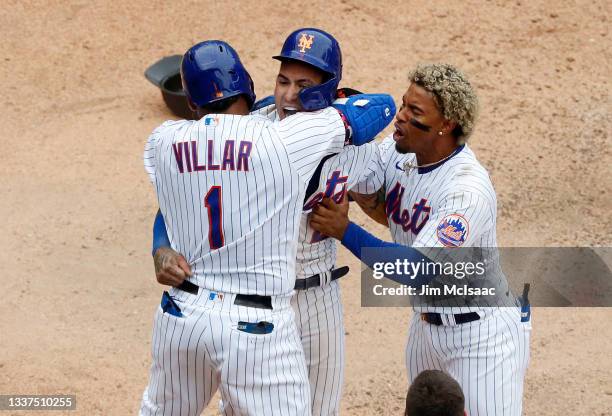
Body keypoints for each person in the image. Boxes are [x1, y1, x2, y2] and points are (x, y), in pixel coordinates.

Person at [139, 40, 394, 415]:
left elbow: (184, 196)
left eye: (303, 86)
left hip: (305, 294)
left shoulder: (162, 140)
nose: (289, 95)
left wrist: (160, 245)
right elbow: (379, 106)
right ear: (255, 87)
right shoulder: (275, 138)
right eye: (283, 81)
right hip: (259, 312)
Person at [310, 63, 531, 415]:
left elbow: (418, 269)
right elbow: (366, 185)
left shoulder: (466, 190)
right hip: (425, 329)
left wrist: (344, 230)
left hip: (480, 336)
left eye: (414, 112)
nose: (399, 117)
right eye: (402, 105)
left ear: (446, 125)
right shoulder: (399, 155)